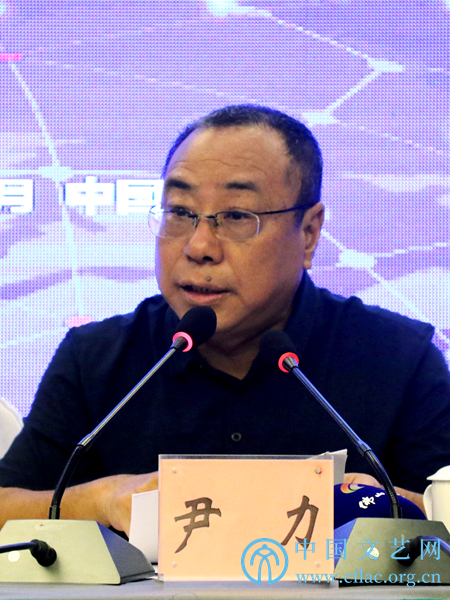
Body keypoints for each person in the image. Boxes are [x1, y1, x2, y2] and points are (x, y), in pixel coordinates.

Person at [0, 105, 449, 536]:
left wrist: (391, 505)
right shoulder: (96, 358)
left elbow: (442, 515)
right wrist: (98, 501)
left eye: (235, 216)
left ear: (310, 233)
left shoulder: (400, 358)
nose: (199, 247)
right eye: (180, 212)